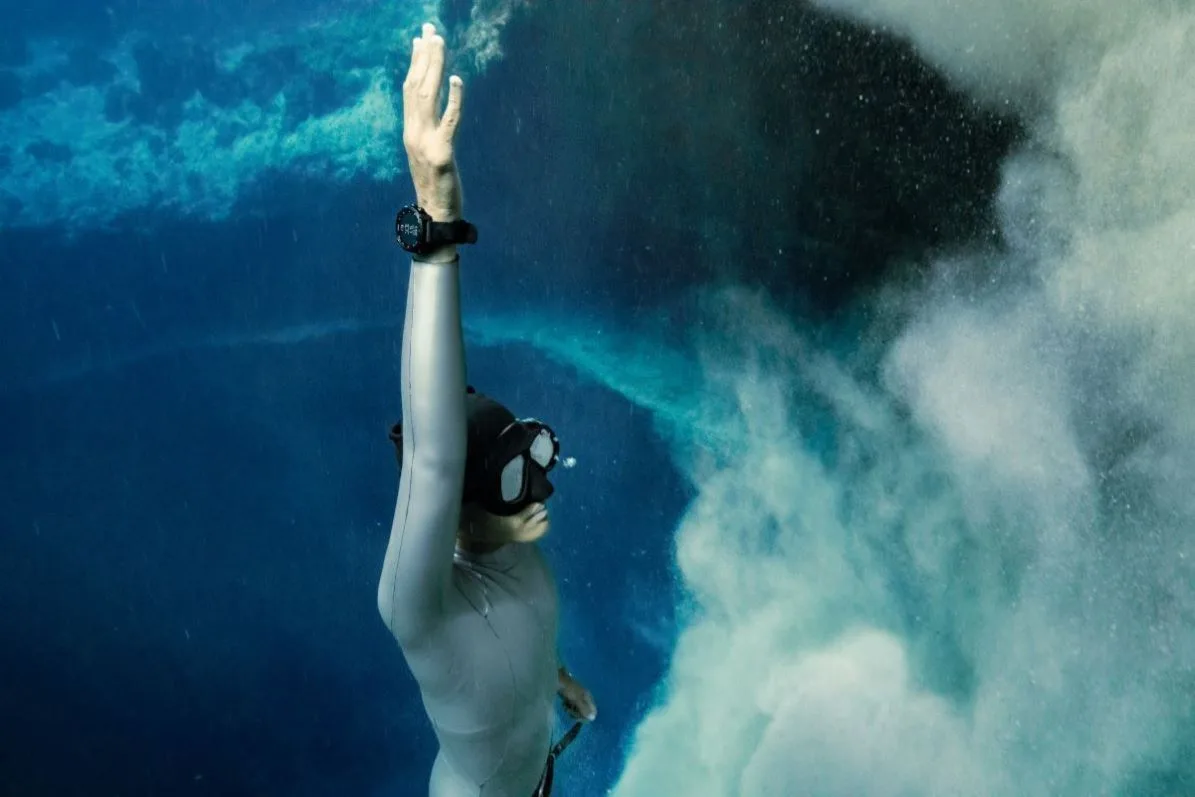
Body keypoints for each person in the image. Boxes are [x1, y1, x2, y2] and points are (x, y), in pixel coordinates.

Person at [376, 22, 597, 797]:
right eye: (510, 477)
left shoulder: (514, 550)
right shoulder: (419, 611)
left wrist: (554, 679)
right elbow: (435, 459)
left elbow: (518, 640)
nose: (538, 488)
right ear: (458, 511)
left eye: (532, 453)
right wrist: (436, 231)